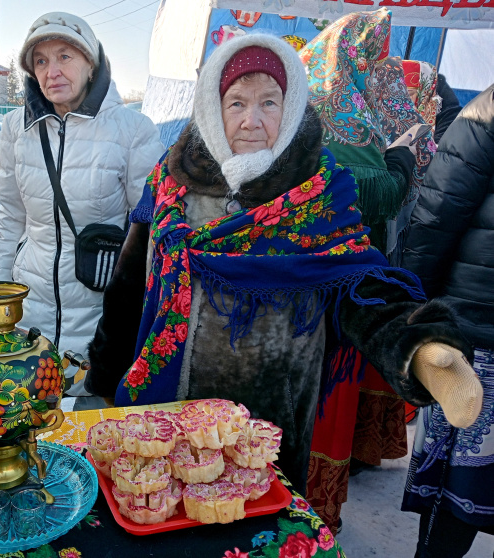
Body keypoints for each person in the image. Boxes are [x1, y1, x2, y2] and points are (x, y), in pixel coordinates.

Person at [84, 32, 480, 503]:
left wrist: (419, 348)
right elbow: (128, 288)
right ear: (214, 107)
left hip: (265, 426)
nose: (252, 120)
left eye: (269, 103)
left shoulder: (317, 196)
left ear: (290, 109)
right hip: (165, 416)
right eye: (236, 104)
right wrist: (104, 379)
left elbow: (362, 287)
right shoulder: (170, 185)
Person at [298, 9, 434, 530]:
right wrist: (400, 160)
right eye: (370, 55)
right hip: (328, 284)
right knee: (320, 389)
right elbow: (368, 195)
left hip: (357, 279)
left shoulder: (360, 109)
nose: (380, 68)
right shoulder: (325, 114)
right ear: (345, 57)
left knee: (339, 383)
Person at [0, 13, 163, 396]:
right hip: (30, 306)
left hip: (99, 313)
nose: (53, 71)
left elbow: (148, 232)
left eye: (65, 56)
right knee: (30, 418)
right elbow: (10, 218)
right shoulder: (17, 128)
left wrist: (137, 311)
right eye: (41, 61)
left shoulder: (133, 130)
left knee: (90, 428)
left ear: (90, 62)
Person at [401, 83, 494, 558]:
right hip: (477, 336)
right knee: (458, 488)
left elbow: (435, 213)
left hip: (476, 323)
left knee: (458, 489)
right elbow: (441, 208)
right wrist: (418, 320)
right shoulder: (488, 113)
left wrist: (416, 309)